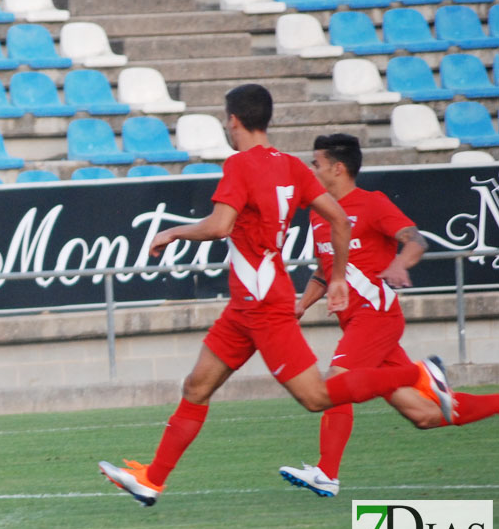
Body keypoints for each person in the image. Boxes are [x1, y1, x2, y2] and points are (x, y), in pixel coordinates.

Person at [97, 84, 455, 507]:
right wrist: (337, 277)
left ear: (233, 121)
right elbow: (340, 220)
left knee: (316, 397)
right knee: (196, 387)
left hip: (265, 304)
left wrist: (173, 232)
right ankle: (152, 479)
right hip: (244, 307)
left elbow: (218, 226)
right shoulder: (290, 166)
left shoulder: (240, 166)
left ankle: (415, 375)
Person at [279, 133, 499, 497]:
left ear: (338, 167)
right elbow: (326, 270)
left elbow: (416, 240)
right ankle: (426, 377)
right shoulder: (322, 215)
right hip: (357, 323)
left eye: (316, 163)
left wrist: (398, 264)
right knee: (425, 415)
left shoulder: (373, 204)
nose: (311, 170)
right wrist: (303, 304)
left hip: (375, 315)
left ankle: (326, 473)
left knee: (335, 383)